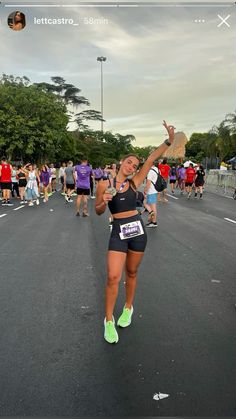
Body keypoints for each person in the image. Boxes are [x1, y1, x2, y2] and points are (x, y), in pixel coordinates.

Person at [95, 120, 175, 344]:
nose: (131, 167)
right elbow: (99, 211)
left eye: (134, 165)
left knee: (131, 272)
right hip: (118, 230)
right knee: (112, 276)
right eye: (128, 163)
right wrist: (103, 201)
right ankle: (108, 320)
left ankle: (128, 307)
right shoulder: (105, 183)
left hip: (137, 231)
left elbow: (151, 159)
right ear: (122, 162)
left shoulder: (135, 182)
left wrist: (168, 140)